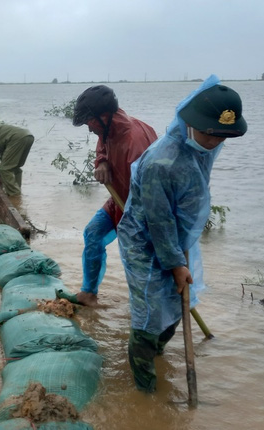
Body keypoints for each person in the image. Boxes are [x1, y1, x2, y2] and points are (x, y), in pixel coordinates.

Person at [117, 75, 247, 393]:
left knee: (176, 306)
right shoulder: (161, 164)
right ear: (190, 124)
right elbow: (158, 222)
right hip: (144, 242)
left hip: (175, 239)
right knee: (150, 312)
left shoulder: (201, 148)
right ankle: (144, 385)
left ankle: (157, 351)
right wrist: (176, 264)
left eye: (222, 137)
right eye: (209, 135)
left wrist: (179, 258)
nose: (214, 142)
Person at [71, 85, 158, 307]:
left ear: (104, 116)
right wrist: (102, 161)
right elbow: (103, 144)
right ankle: (88, 294)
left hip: (142, 210)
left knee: (139, 262)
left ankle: (145, 311)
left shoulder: (134, 142)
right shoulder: (108, 128)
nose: (89, 129)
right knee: (93, 233)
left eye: (89, 122)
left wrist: (130, 227)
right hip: (119, 198)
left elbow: (146, 197)